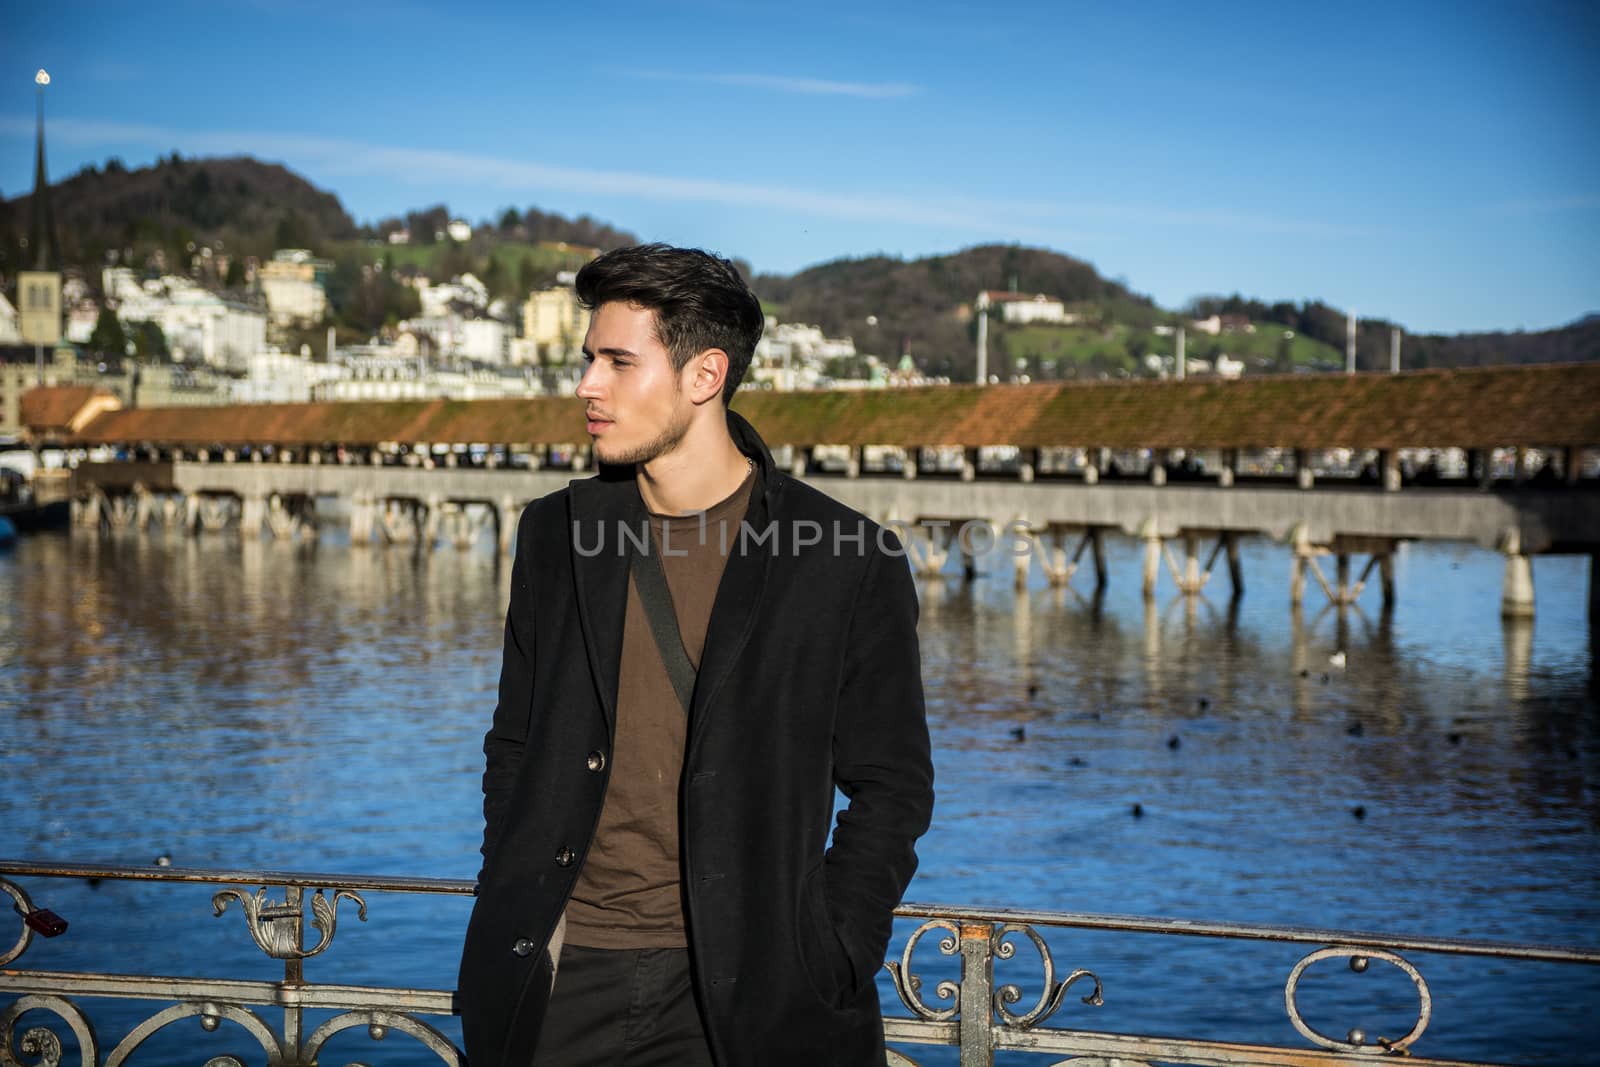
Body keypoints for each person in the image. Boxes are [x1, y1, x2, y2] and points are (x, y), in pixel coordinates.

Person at [456, 244, 935, 1066]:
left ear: (704, 375)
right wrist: (513, 891)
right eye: (587, 360)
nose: (586, 387)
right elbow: (515, 743)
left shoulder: (845, 558)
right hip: (564, 971)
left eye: (617, 362)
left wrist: (835, 944)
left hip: (754, 989)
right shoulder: (555, 533)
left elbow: (893, 785)